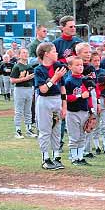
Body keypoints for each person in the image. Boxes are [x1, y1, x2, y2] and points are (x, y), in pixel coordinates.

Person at [34, 42, 67, 170]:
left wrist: (64, 106)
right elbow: (42, 90)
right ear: (46, 54)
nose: (56, 53)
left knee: (57, 130)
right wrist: (54, 78)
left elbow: (63, 88)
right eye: (53, 51)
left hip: (57, 99)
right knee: (45, 130)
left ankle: (56, 156)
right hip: (44, 101)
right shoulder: (39, 69)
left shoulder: (58, 66)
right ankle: (45, 158)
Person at [64, 56, 94, 166]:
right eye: (77, 65)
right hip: (72, 112)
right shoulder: (69, 81)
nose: (80, 67)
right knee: (74, 136)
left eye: (81, 65)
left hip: (84, 111)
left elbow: (89, 96)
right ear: (70, 67)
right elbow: (66, 97)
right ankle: (73, 157)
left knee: (82, 136)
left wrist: (91, 109)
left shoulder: (85, 80)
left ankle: (80, 157)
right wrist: (80, 95)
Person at [10, 50, 36, 138]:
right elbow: (12, 80)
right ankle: (18, 130)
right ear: (19, 55)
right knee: (19, 111)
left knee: (28, 111)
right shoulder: (17, 66)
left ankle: (29, 129)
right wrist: (25, 78)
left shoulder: (29, 66)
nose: (26, 54)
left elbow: (32, 79)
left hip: (29, 89)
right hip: (20, 89)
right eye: (23, 53)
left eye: (27, 53)